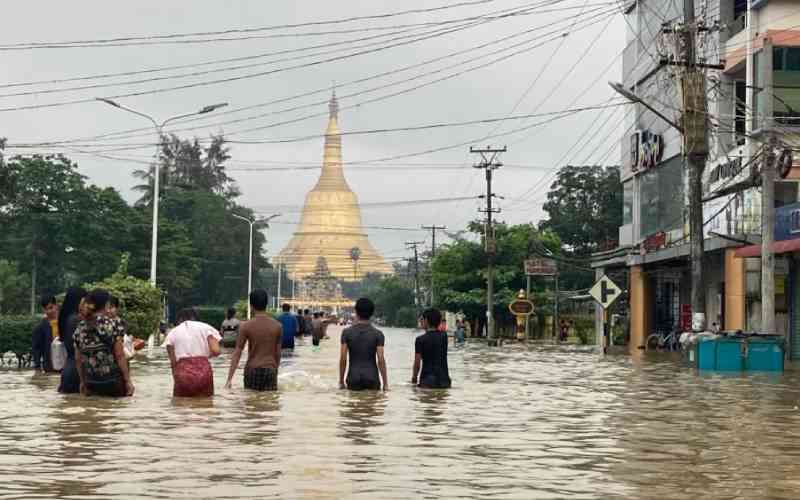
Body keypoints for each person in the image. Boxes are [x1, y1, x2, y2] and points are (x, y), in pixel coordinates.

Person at [74, 289, 134, 398]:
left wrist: (83, 382)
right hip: (113, 381)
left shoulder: (80, 328)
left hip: (92, 382)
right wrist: (128, 381)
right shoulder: (115, 324)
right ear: (106, 304)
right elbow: (120, 355)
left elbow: (78, 359)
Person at [225, 289, 282, 391]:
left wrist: (229, 379)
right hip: (270, 370)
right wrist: (275, 371)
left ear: (251, 305)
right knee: (270, 404)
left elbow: (237, 353)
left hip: (252, 370)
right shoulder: (277, 326)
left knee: (251, 402)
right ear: (266, 304)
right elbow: (278, 353)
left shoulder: (245, 326)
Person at [165, 308, 221, 397]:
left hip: (183, 373)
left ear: (179, 319)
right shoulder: (206, 327)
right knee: (206, 405)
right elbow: (216, 351)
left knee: (181, 405)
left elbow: (173, 363)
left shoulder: (172, 333)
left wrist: (177, 379)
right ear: (196, 317)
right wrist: (204, 356)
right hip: (204, 371)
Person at [339, 298, 388, 391]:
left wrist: (341, 381)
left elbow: (343, 359)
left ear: (356, 311)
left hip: (353, 378)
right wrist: (385, 384)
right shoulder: (378, 334)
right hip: (372, 377)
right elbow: (381, 359)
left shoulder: (346, 333)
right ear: (372, 313)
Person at [412, 308, 452, 389]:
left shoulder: (420, 340)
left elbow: (417, 363)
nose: (420, 321)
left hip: (427, 381)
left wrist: (414, 378)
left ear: (426, 320)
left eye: (422, 319)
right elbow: (441, 329)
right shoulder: (444, 337)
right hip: (444, 380)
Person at [57, 287, 87, 393]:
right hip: (76, 372)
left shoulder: (67, 318)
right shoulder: (76, 320)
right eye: (84, 301)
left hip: (69, 370)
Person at [32, 295, 59, 373]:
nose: (49, 311)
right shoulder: (40, 328)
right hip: (49, 366)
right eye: (46, 309)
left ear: (56, 305)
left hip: (65, 365)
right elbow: (36, 349)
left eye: (51, 308)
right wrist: (37, 367)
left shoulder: (66, 322)